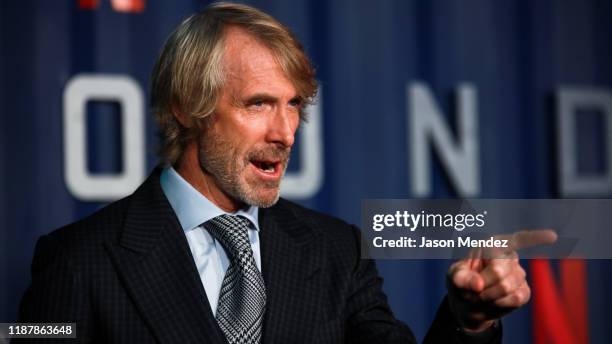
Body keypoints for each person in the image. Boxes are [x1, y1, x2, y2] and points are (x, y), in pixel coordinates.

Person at [19, 2, 537, 343]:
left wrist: (470, 321)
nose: (286, 132)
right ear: (185, 107)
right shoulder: (76, 259)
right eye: (259, 103)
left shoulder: (338, 252)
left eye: (294, 105)